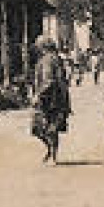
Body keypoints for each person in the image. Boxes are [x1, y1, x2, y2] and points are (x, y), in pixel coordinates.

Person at [29, 35, 72, 164]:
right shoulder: (55, 58)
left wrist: (38, 95)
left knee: (42, 127)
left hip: (49, 99)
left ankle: (52, 154)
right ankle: (52, 152)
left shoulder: (47, 60)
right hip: (58, 97)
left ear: (43, 46)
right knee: (50, 127)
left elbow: (48, 81)